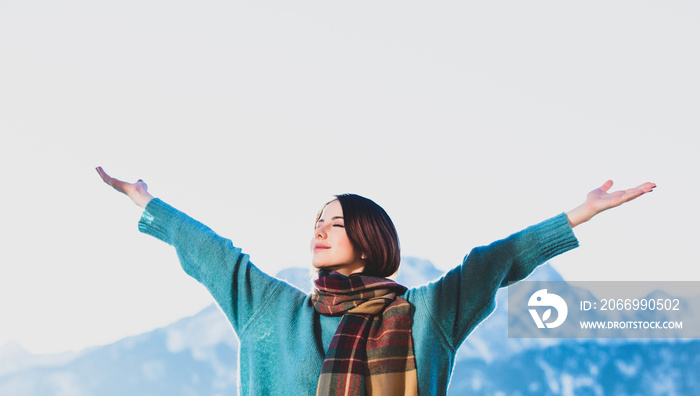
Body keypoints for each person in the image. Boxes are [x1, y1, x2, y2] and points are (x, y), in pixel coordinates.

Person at [96, 166, 655, 396]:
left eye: (335, 224)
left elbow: (494, 262)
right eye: (316, 221)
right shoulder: (272, 310)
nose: (319, 230)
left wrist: (579, 215)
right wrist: (146, 201)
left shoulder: (425, 314)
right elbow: (216, 257)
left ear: (367, 244)